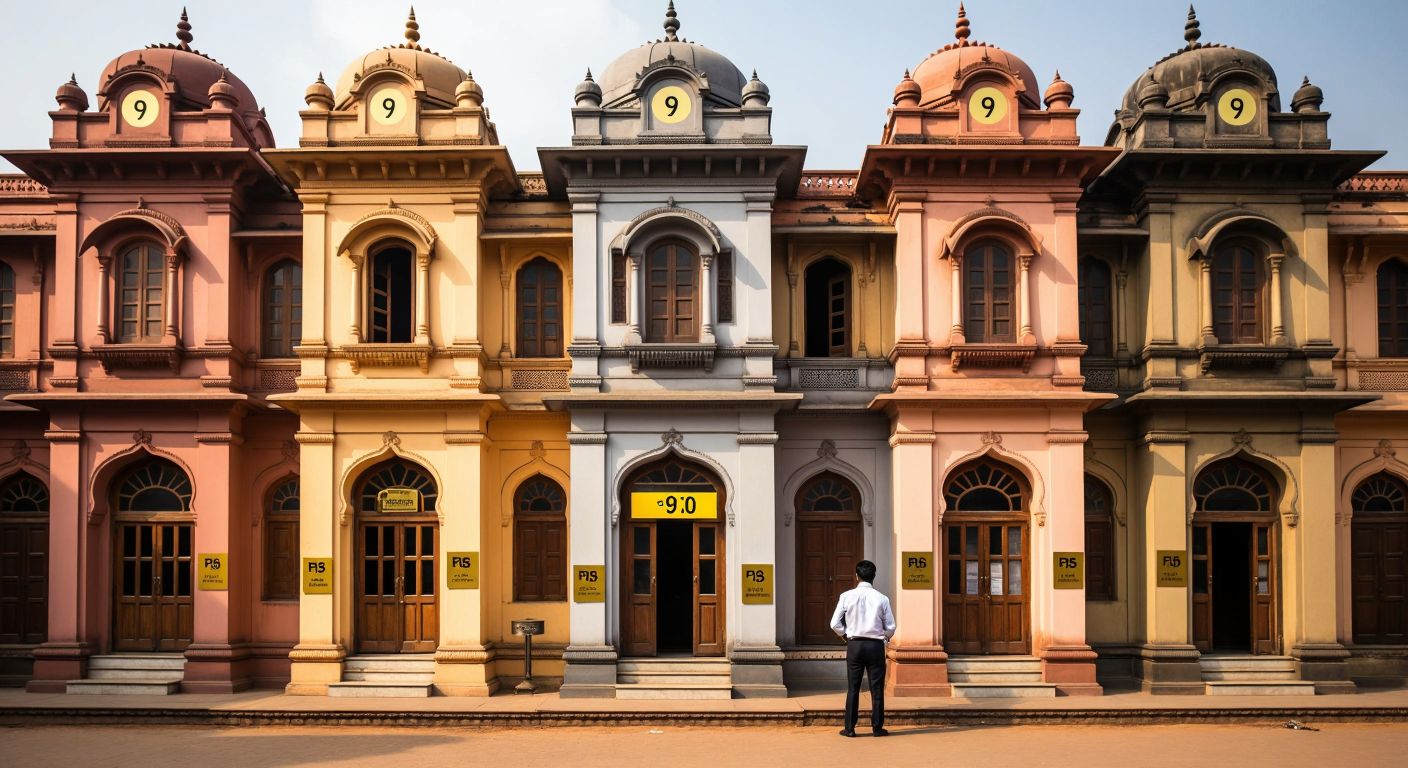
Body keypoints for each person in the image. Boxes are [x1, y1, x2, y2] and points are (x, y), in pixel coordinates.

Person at [830, 559, 895, 737]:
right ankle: (877, 727)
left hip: (855, 645)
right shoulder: (882, 598)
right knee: (877, 688)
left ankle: (849, 728)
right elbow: (891, 626)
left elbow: (834, 623)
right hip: (875, 646)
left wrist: (845, 635)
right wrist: (885, 639)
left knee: (853, 688)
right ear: (874, 576)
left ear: (856, 576)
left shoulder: (846, 596)